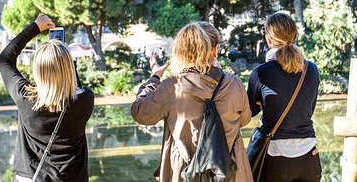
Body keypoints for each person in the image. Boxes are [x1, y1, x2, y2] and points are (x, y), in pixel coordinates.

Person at [131, 22, 253, 181]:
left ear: (180, 53)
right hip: (230, 172)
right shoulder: (235, 84)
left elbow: (141, 113)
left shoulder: (173, 87)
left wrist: (154, 79)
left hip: (186, 173)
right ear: (214, 50)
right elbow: (244, 120)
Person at [0, 14, 94, 182]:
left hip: (30, 177)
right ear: (69, 67)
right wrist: (63, 57)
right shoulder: (85, 100)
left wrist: (35, 27)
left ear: (38, 70)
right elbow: (74, 85)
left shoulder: (25, 98)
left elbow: (5, 59)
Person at [246, 12, 321, 182]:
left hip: (275, 156)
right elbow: (309, 108)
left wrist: (261, 104)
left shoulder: (261, 73)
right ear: (294, 36)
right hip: (309, 155)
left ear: (268, 39)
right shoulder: (312, 70)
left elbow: (247, 112)